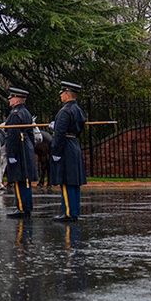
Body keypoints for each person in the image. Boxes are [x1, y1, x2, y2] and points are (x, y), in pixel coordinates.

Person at [50, 82, 87, 221]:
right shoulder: (78, 109)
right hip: (73, 144)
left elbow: (59, 133)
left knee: (66, 181)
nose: (61, 96)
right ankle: (74, 211)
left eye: (62, 93)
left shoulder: (65, 111)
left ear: (67, 94)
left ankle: (68, 213)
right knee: (74, 182)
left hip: (65, 146)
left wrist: (55, 152)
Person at [4, 87, 38, 218]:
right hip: (26, 146)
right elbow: (30, 133)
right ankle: (27, 206)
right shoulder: (26, 113)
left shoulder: (15, 114)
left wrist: (11, 154)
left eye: (11, 98)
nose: (10, 100)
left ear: (17, 99)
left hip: (18, 148)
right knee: (26, 180)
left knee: (19, 180)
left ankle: (22, 208)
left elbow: (12, 136)